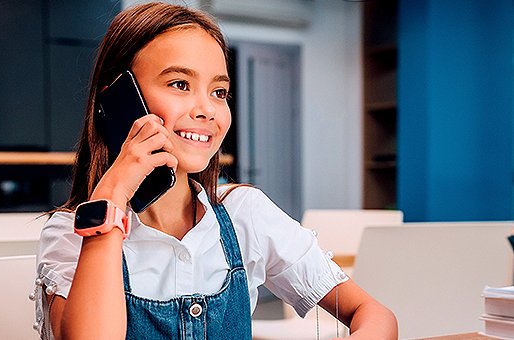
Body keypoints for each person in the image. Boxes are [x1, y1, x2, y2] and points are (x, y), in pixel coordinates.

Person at [34, 2, 397, 339]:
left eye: (219, 92)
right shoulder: (71, 235)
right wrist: (111, 195)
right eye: (180, 84)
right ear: (117, 99)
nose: (207, 109)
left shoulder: (244, 215)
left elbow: (373, 313)